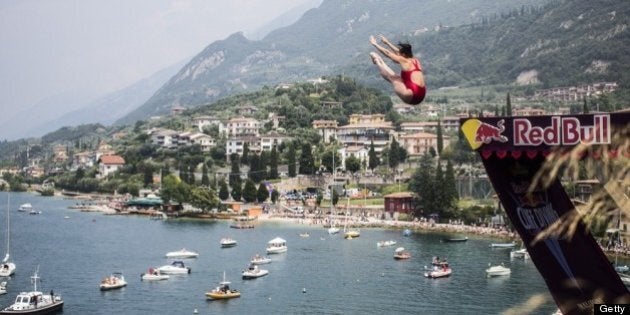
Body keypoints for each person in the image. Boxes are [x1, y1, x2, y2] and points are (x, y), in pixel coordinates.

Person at [369, 35, 426, 105]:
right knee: (398, 78)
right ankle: (378, 60)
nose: (397, 55)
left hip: (412, 95)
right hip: (422, 93)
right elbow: (398, 51)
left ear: (404, 55)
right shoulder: (415, 60)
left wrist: (375, 44)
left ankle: (377, 60)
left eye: (399, 55)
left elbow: (387, 53)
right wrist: (387, 43)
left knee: (393, 79)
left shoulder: (403, 60)